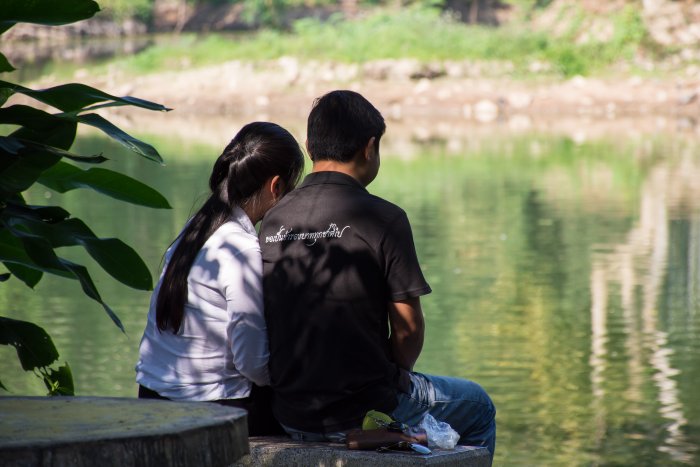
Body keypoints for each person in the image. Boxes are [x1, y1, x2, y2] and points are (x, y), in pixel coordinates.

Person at [259, 91, 496, 458]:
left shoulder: (274, 217)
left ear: (308, 146)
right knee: (479, 406)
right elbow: (408, 329)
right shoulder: (383, 218)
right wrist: (394, 377)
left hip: (292, 413)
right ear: (370, 148)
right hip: (365, 410)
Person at [135, 121, 305, 436]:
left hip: (153, 395)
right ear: (276, 186)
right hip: (212, 408)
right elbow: (251, 362)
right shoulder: (239, 247)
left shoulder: (196, 229)